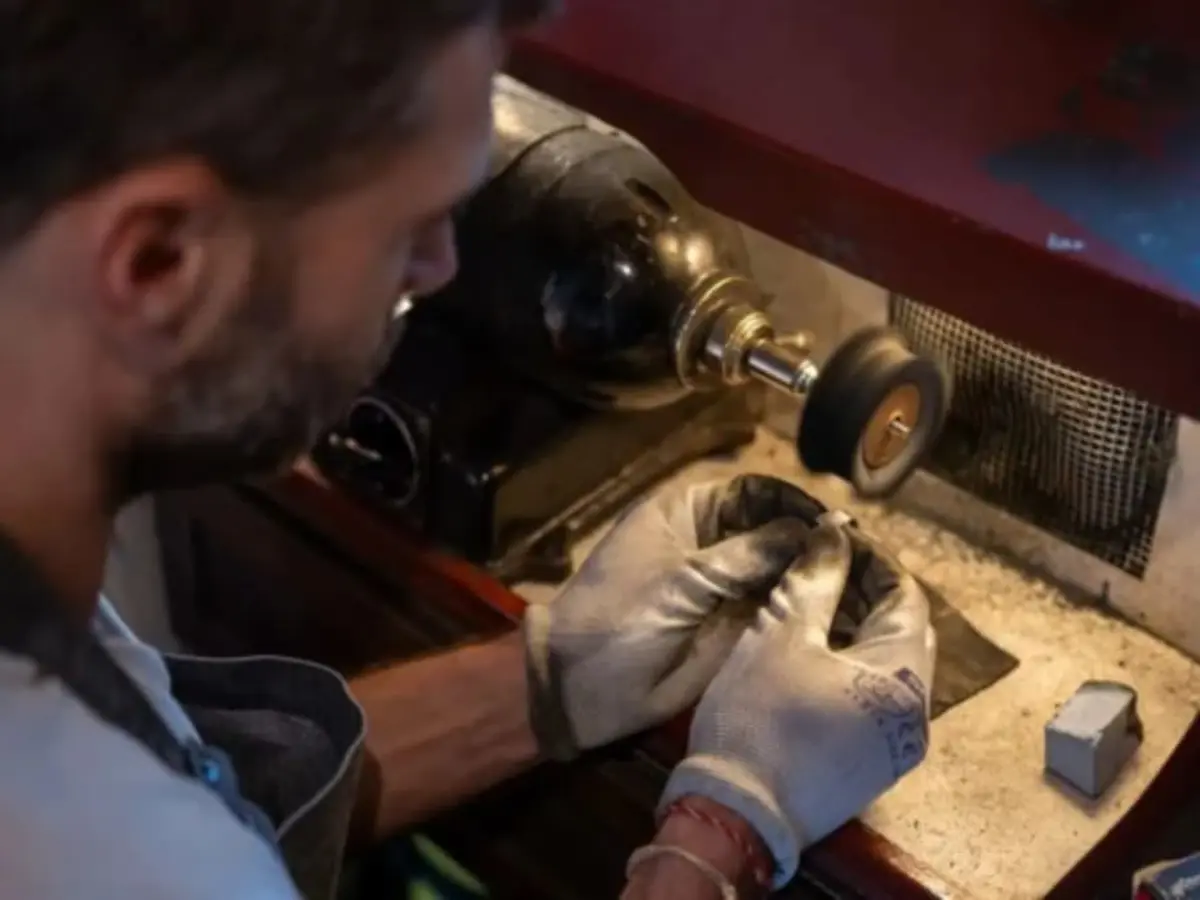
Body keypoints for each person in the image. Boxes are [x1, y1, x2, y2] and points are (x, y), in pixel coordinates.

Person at [0, 2, 937, 899]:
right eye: (407, 226)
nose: (443, 266)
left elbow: (220, 785)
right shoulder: (103, 856)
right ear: (162, 263)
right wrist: (717, 834)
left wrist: (547, 681)